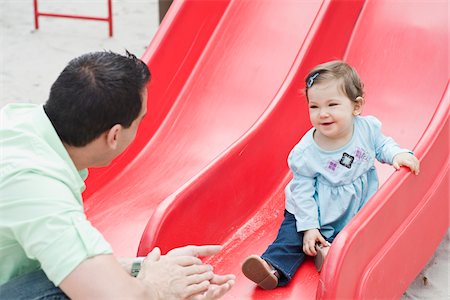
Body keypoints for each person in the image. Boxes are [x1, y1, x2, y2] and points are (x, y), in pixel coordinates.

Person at [0, 51, 235, 299]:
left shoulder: (19, 122)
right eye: (139, 121)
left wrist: (143, 268)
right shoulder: (38, 187)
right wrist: (156, 289)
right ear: (113, 136)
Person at [241, 60, 420, 290]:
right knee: (290, 239)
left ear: (356, 107)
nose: (322, 113)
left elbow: (383, 145)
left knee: (356, 237)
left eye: (332, 105)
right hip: (309, 210)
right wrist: (309, 227)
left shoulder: (366, 129)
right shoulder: (306, 153)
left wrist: (397, 155)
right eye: (314, 107)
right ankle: (273, 268)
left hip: (353, 207)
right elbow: (302, 193)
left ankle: (328, 253)